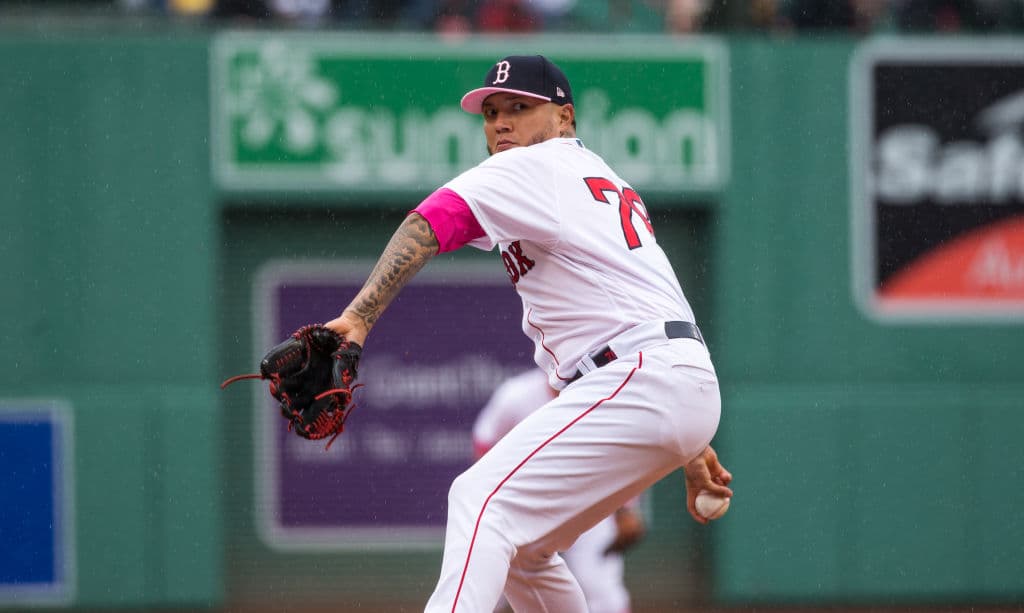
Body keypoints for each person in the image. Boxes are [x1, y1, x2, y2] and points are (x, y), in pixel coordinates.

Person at [321, 54, 733, 612]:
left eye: (519, 107)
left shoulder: (537, 166)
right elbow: (641, 300)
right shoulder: (595, 177)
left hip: (643, 375)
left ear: (565, 117)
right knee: (523, 550)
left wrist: (357, 319)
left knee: (479, 500)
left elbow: (430, 220)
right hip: (661, 375)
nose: (502, 124)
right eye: (491, 113)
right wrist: (689, 439)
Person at [473, 368, 646, 613]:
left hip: (586, 508)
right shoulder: (517, 394)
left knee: (602, 591)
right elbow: (484, 441)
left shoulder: (602, 396)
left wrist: (626, 509)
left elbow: (619, 455)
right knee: (486, 588)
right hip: (524, 508)